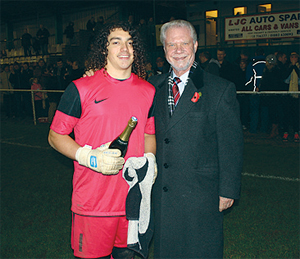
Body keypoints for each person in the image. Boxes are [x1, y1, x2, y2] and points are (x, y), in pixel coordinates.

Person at [48, 22, 156, 259]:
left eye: (130, 42)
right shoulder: (80, 88)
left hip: (133, 205)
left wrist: (150, 159)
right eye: (116, 42)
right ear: (104, 49)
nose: (124, 48)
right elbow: (55, 136)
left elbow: (149, 133)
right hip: (93, 204)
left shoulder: (148, 91)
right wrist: (87, 156)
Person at [148, 20, 243, 258]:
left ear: (196, 45)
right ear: (164, 49)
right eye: (172, 44)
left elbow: (231, 145)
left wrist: (228, 190)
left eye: (184, 43)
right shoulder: (152, 88)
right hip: (162, 195)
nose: (178, 50)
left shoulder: (220, 89)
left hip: (201, 196)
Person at [258, 54, 281, 138]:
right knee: (272, 113)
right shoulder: (267, 70)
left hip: (274, 96)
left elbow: (272, 83)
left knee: (274, 113)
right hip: (269, 96)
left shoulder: (275, 71)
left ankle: (274, 130)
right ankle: (275, 130)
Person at [245, 47, 266, 134]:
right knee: (265, 111)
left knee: (254, 111)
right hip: (266, 92)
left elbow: (248, 79)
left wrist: (250, 86)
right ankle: (264, 129)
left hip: (254, 92)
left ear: (255, 54)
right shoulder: (267, 63)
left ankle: (253, 129)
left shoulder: (252, 64)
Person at [282, 51, 300, 142]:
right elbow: (284, 77)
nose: (293, 59)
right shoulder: (286, 67)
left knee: (296, 114)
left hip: (297, 94)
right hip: (287, 94)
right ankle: (286, 132)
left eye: (295, 57)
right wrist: (291, 67)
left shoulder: (299, 67)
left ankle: (296, 132)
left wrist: (295, 67)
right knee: (287, 114)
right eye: (292, 57)